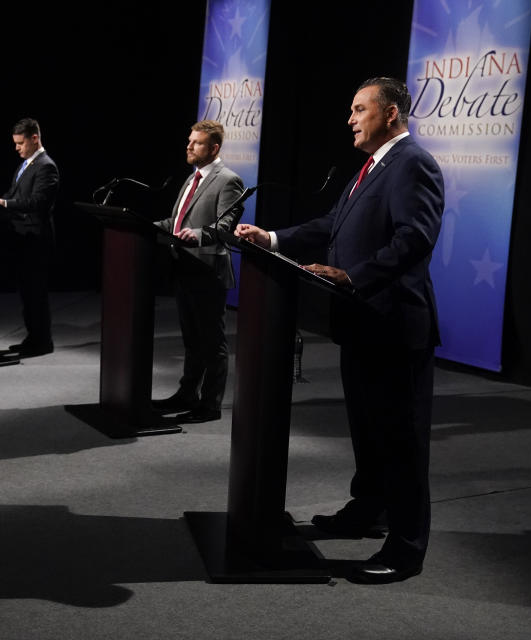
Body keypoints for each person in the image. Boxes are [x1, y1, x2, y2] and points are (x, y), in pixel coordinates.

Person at [235, 77, 444, 584]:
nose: (349, 119)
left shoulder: (412, 162)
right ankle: (368, 509)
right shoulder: (371, 167)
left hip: (395, 327)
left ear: (390, 113)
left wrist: (354, 276)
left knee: (400, 441)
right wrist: (274, 237)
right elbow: (332, 224)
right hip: (361, 323)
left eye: (358, 109)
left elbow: (415, 239)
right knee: (369, 433)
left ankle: (407, 546)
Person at [152, 120, 245, 424]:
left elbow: (224, 227)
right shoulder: (192, 178)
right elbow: (176, 222)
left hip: (207, 271)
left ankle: (211, 405)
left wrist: (199, 234)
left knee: (212, 343)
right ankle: (187, 393)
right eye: (189, 140)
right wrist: (143, 227)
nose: (189, 146)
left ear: (214, 148)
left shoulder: (228, 180)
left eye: (197, 142)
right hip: (184, 268)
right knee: (192, 341)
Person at [0, 117, 59, 357]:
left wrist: (5, 203)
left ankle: (42, 342)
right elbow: (14, 194)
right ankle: (33, 338)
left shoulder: (46, 166)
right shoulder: (26, 164)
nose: (16, 147)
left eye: (20, 143)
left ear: (34, 138)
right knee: (27, 294)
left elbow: (38, 203)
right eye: (15, 143)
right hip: (22, 239)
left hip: (36, 240)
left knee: (36, 293)